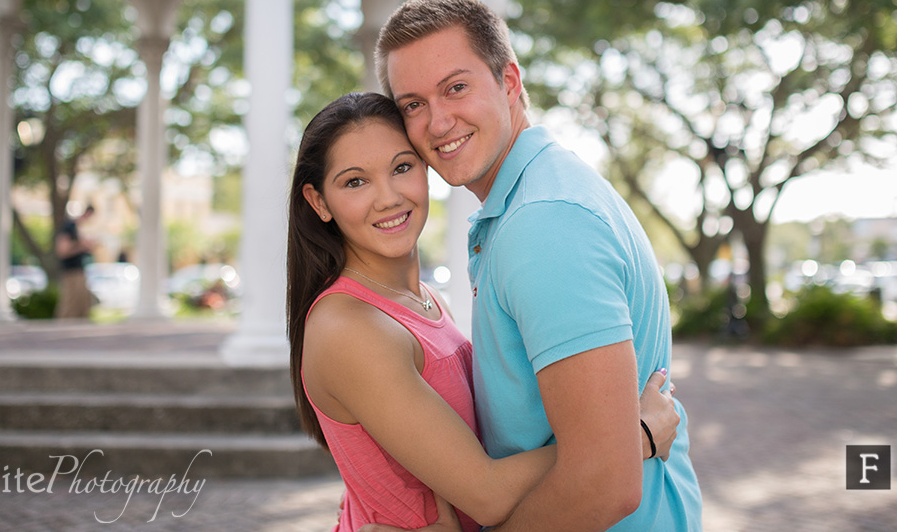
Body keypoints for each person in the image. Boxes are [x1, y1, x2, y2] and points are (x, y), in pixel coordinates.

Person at [374, 0, 703, 531]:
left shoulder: (543, 223)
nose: (437, 123)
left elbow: (605, 481)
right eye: (413, 104)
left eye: (456, 88)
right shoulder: (536, 198)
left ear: (509, 81)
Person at [287, 92, 679, 532]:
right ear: (319, 201)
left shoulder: (428, 302)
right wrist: (631, 436)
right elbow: (486, 494)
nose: (388, 198)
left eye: (402, 167)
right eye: (355, 182)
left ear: (426, 168)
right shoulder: (349, 328)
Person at [55, 204, 95, 319]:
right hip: (71, 271)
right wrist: (81, 246)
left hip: (79, 270)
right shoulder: (69, 227)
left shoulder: (76, 228)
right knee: (70, 305)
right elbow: (62, 251)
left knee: (83, 303)